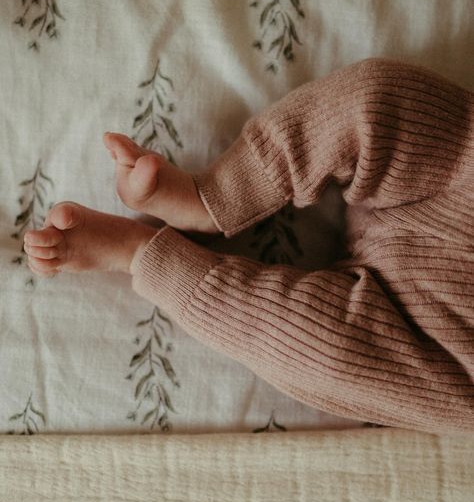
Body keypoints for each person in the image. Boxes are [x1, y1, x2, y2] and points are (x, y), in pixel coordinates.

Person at [23, 57, 474, 433]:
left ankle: (142, 254)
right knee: (379, 99)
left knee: (332, 359)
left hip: (443, 337)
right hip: (452, 182)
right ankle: (212, 199)